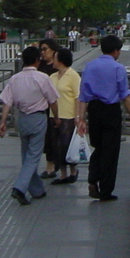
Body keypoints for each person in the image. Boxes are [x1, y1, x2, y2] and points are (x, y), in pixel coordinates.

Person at [76, 34, 130, 202]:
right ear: (116, 51)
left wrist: (81, 118)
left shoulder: (90, 66)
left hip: (94, 110)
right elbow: (126, 96)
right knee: (110, 151)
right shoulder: (118, 68)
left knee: (98, 146)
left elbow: (83, 95)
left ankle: (92, 179)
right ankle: (106, 190)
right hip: (111, 110)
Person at [0, 45, 58, 206]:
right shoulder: (42, 77)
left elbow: (7, 101)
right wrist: (56, 117)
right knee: (33, 157)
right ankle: (19, 188)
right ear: (37, 60)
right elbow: (52, 100)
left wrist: (3, 121)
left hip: (22, 118)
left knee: (26, 155)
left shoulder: (14, 78)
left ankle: (37, 189)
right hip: (38, 118)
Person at [49, 46, 81, 185]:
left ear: (61, 60)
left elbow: (78, 97)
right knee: (57, 145)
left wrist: (78, 116)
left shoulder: (73, 75)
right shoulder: (52, 76)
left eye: (55, 57)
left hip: (69, 115)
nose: (53, 60)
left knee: (67, 145)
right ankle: (63, 173)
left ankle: (73, 171)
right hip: (54, 114)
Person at [37, 39, 59, 178]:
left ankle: (61, 165)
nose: (43, 52)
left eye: (45, 49)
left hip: (58, 106)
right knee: (48, 137)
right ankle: (50, 165)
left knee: (59, 136)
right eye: (41, 50)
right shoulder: (39, 67)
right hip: (43, 107)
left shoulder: (59, 68)